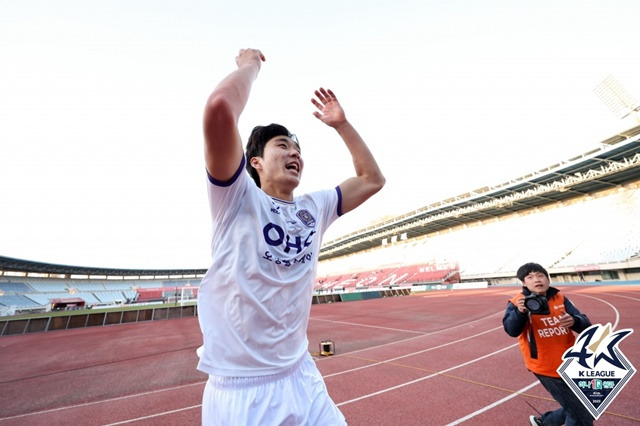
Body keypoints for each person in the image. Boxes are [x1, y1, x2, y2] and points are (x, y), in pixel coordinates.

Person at [196, 48, 385, 425]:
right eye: (282, 146)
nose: (294, 152)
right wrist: (250, 65)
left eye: (297, 148)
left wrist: (341, 125)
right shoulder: (236, 198)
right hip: (243, 391)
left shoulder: (315, 208)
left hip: (301, 373)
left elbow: (371, 180)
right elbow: (219, 107)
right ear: (255, 163)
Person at [503, 262, 593, 426]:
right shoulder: (518, 302)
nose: (536, 280)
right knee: (582, 416)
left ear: (547, 278)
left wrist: (574, 320)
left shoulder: (560, 298)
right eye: (530, 277)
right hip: (545, 366)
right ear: (524, 283)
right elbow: (511, 330)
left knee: (585, 406)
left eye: (540, 275)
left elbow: (586, 324)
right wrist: (520, 312)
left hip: (571, 362)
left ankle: (544, 422)